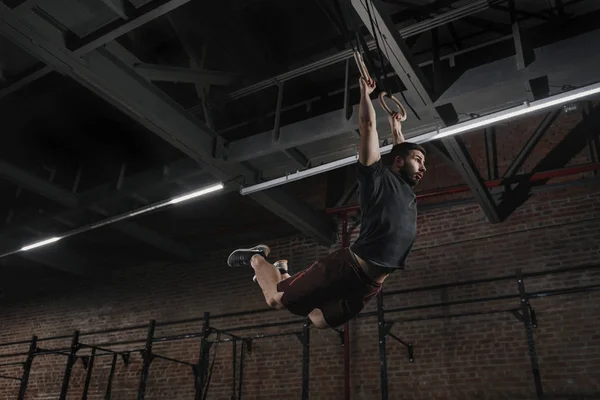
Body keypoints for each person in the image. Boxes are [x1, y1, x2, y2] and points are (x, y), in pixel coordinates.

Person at [227, 76, 427, 329]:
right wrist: (365, 94)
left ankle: (283, 271)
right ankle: (257, 259)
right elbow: (367, 126)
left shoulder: (406, 189)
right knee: (276, 299)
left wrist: (396, 126)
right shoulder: (375, 177)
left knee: (319, 319)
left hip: (371, 283)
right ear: (399, 162)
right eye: (419, 160)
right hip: (347, 268)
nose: (424, 167)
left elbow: (403, 151)